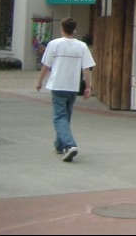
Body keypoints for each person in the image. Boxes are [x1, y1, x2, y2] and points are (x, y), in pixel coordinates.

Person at [35, 17, 95, 162]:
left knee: (59, 117)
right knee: (65, 116)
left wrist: (39, 82)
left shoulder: (54, 44)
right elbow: (86, 69)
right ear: (74, 30)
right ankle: (59, 145)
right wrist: (88, 87)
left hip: (57, 85)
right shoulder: (82, 46)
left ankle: (70, 145)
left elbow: (46, 66)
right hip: (72, 86)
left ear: (62, 29)